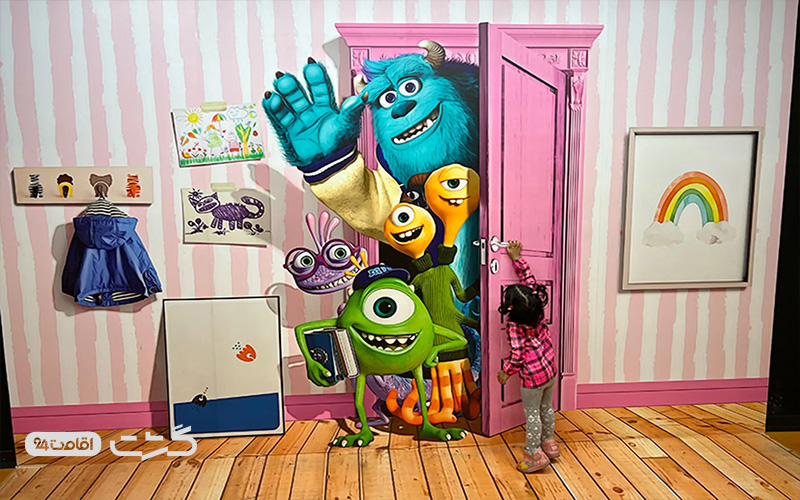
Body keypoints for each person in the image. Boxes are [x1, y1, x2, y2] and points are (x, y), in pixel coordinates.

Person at [496, 240, 559, 473]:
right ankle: (549, 443)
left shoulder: (514, 326)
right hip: (550, 372)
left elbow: (517, 356)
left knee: (532, 415)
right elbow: (530, 282)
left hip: (532, 380)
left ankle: (534, 453)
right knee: (547, 408)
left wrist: (506, 373)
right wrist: (517, 260)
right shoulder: (537, 312)